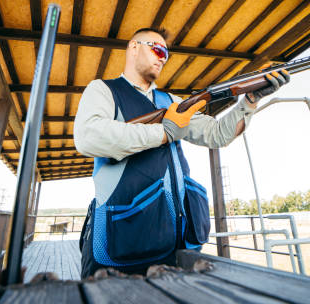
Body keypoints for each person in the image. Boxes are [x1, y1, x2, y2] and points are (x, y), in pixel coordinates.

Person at [74, 28, 289, 278]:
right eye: (157, 49)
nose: (163, 57)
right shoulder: (103, 90)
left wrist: (249, 101)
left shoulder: (172, 102)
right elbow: (88, 137)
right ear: (133, 47)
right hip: (121, 243)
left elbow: (216, 133)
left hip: (175, 245)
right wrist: (164, 133)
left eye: (166, 53)